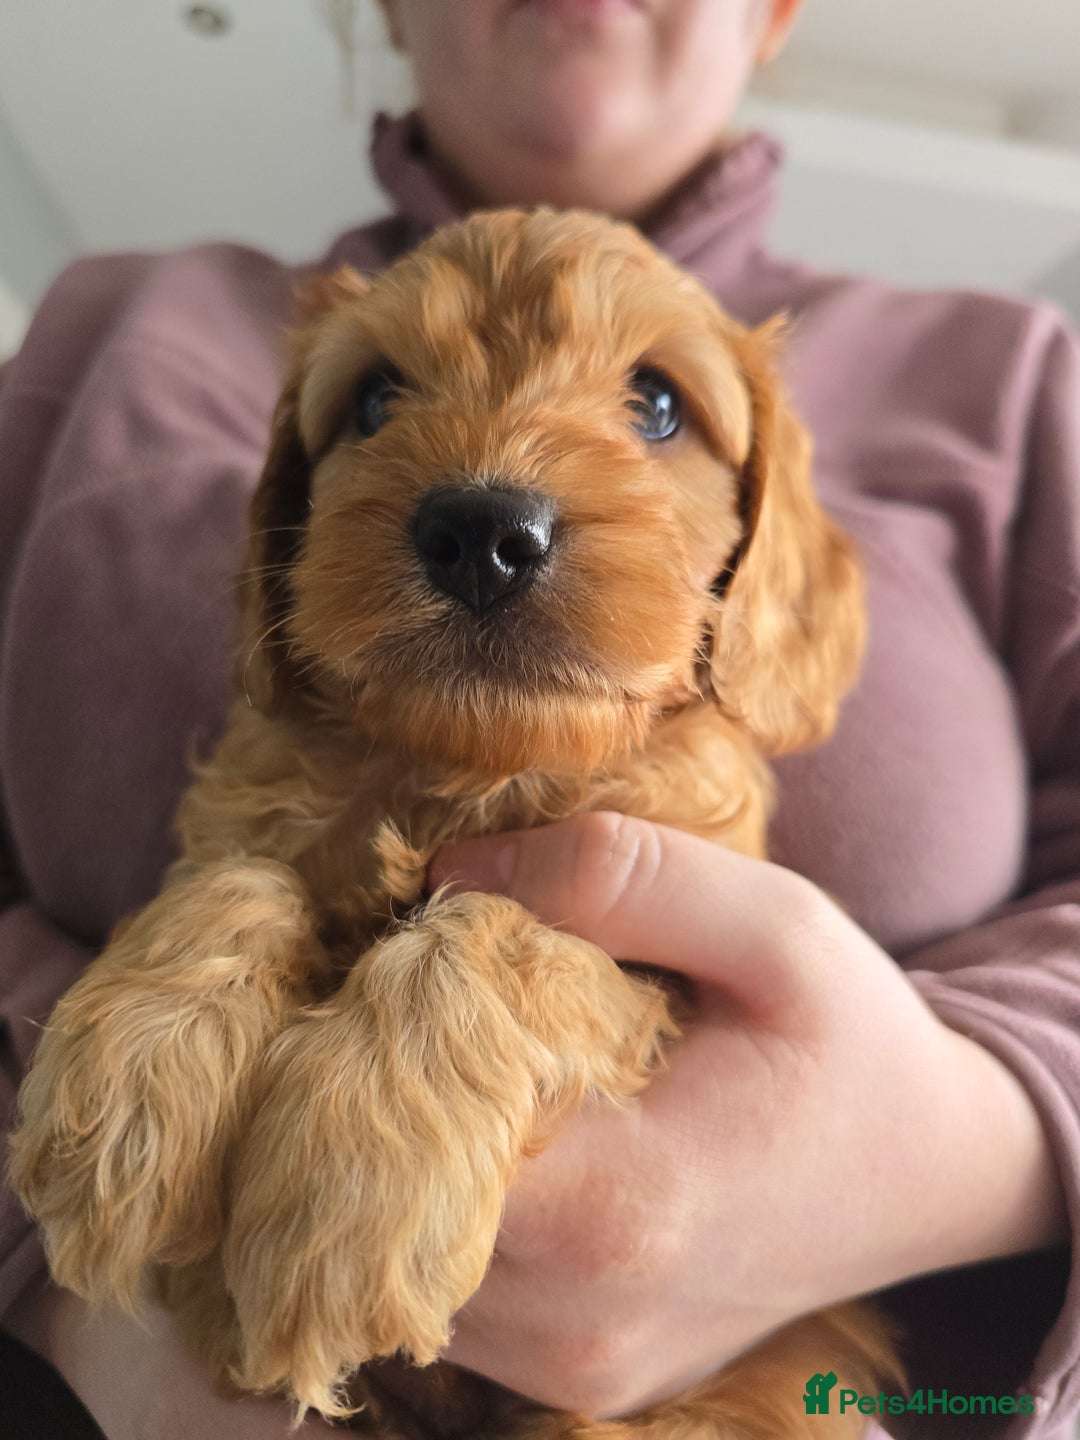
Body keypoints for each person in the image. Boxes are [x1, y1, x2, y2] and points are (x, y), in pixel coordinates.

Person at [1, 1, 1078, 1436]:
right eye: (377, 398)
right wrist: (77, 1296)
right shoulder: (104, 323)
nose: (487, 494)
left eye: (653, 404)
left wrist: (962, 1142)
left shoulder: (1014, 375)